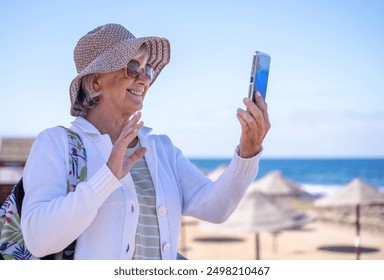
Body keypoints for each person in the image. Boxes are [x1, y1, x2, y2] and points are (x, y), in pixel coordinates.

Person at [20, 23, 270, 260]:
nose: (144, 79)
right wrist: (106, 177)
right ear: (96, 81)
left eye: (147, 69)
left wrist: (247, 154)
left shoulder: (161, 149)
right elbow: (38, 238)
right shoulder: (56, 143)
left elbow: (215, 208)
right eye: (132, 67)